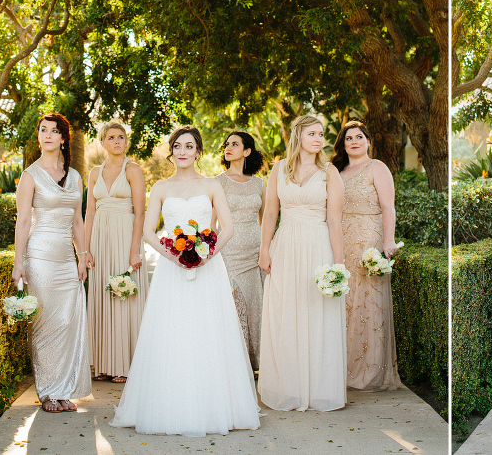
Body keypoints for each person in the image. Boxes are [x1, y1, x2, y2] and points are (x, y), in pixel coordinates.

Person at [111, 126, 260, 436]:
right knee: (173, 332)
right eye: (177, 146)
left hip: (208, 270)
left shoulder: (211, 186)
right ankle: (169, 405)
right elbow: (150, 232)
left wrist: (205, 254)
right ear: (172, 151)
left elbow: (227, 229)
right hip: (171, 270)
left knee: (208, 331)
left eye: (189, 146)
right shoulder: (161, 187)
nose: (182, 151)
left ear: (198, 152)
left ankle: (214, 406)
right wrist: (174, 256)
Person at [258, 115, 347, 411]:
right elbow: (271, 213)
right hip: (285, 245)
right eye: (313, 134)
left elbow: (335, 220)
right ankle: (289, 387)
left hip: (317, 245)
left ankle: (319, 388)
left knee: (316, 312)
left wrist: (338, 265)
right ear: (299, 136)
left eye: (321, 134)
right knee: (285, 312)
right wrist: (264, 250)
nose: (319, 139)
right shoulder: (279, 169)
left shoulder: (329, 172)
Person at [11, 112, 91, 413]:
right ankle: (48, 392)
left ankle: (63, 389)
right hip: (40, 256)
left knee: (67, 321)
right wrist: (19, 262)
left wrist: (82, 257)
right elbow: (22, 222)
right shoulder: (30, 175)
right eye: (43, 130)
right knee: (45, 325)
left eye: (53, 131)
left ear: (62, 138)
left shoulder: (74, 176)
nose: (47, 135)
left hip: (66, 260)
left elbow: (78, 223)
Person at [332, 121, 401, 391]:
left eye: (359, 137)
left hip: (368, 241)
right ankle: (341, 368)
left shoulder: (378, 168)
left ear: (368, 141)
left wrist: (388, 240)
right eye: (349, 138)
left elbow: (388, 207)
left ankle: (369, 373)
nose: (354, 142)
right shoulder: (336, 171)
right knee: (344, 303)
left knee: (368, 305)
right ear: (343, 144)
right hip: (340, 242)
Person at [84, 120, 149, 383]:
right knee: (102, 294)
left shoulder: (133, 170)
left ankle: (125, 364)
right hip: (100, 238)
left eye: (121, 137)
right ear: (102, 142)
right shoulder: (93, 173)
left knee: (125, 296)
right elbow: (89, 212)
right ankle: (102, 364)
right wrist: (85, 250)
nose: (117, 141)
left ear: (126, 141)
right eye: (111, 137)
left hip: (125, 237)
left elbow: (140, 212)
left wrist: (135, 251)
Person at [214, 131, 266, 371]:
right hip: (229, 252)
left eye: (235, 144)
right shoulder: (218, 182)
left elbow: (266, 220)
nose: (228, 147)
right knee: (234, 305)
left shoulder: (259, 183)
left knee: (257, 305)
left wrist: (267, 249)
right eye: (227, 144)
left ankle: (258, 362)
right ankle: (236, 364)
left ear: (247, 151)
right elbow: (212, 223)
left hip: (255, 252)